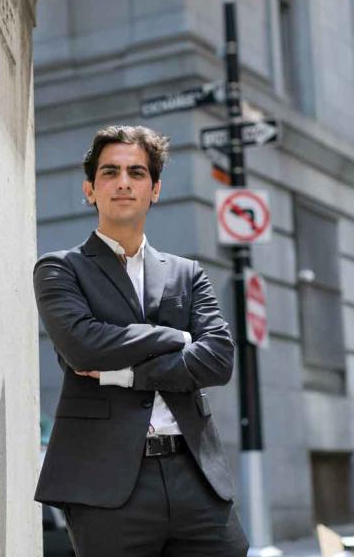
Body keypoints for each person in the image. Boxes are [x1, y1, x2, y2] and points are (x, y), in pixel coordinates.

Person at [33, 125, 248, 557]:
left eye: (137, 172)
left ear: (155, 190)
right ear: (90, 190)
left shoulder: (187, 274)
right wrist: (177, 337)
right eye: (110, 172)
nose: (124, 182)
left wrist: (123, 375)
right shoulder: (60, 270)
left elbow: (219, 359)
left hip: (195, 477)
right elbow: (84, 346)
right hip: (106, 486)